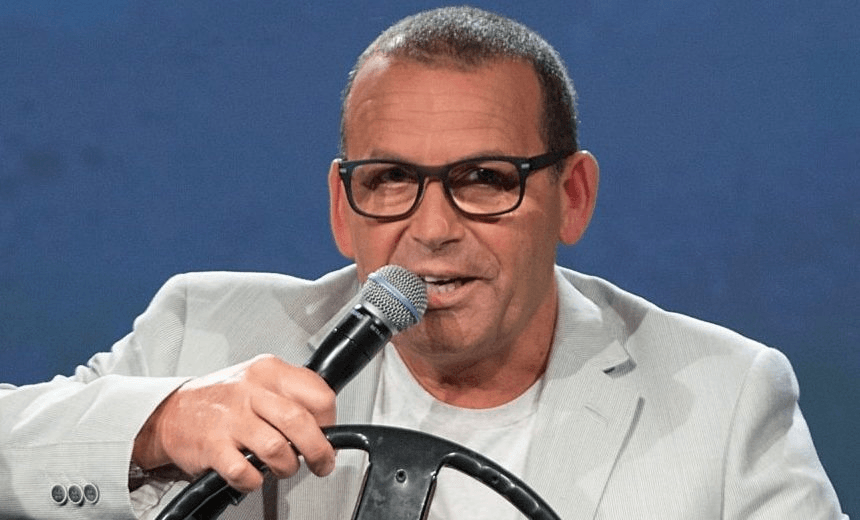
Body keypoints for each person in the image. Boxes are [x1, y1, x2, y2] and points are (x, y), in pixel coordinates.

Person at [0, 6, 847, 520]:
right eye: (392, 180)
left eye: (485, 180)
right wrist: (163, 423)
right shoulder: (207, 327)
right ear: (343, 207)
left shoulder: (725, 399)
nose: (431, 228)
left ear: (573, 197)